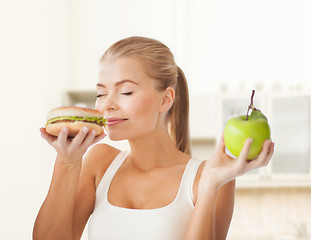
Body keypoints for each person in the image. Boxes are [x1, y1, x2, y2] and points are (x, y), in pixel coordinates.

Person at [33, 36, 274, 240]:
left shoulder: (207, 177)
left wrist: (210, 185)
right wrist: (67, 162)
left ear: (165, 99)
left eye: (126, 91)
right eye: (101, 92)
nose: (106, 105)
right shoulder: (100, 163)